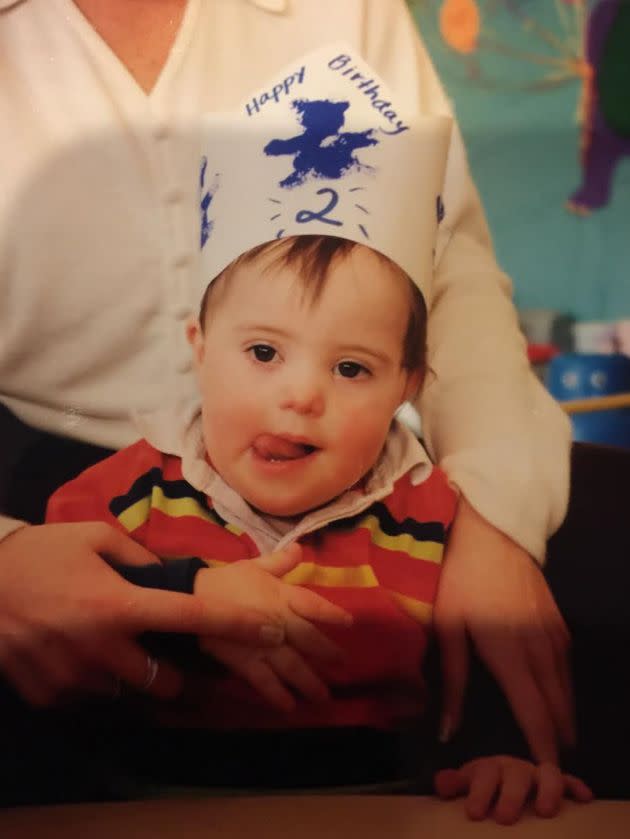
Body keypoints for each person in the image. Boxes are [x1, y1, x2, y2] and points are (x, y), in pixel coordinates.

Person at [0, 0, 573, 776]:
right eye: (264, 352)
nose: (298, 395)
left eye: (348, 368)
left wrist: (496, 507)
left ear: (409, 375)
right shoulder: (113, 496)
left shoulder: (415, 528)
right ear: (198, 346)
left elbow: (447, 267)